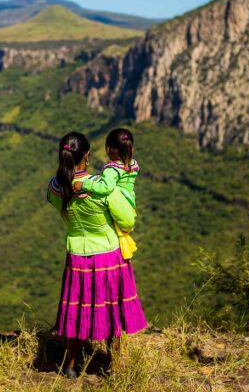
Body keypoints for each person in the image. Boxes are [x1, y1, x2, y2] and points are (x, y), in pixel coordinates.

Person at [47, 131, 148, 379]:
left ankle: (70, 365)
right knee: (113, 309)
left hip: (76, 255)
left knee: (77, 307)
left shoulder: (56, 186)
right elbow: (127, 219)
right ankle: (115, 366)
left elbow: (54, 201)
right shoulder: (104, 188)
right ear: (87, 156)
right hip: (108, 254)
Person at [73, 128, 139, 259]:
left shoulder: (112, 170)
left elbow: (105, 187)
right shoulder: (132, 164)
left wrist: (84, 185)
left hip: (119, 204)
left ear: (109, 149)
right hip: (130, 202)